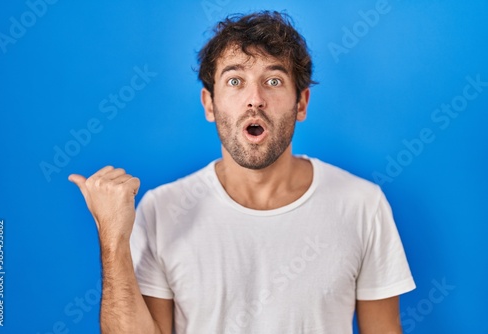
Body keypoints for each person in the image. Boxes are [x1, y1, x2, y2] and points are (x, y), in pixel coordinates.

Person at [69, 11, 415, 334]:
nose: (255, 99)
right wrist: (113, 239)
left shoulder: (361, 203)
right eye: (235, 80)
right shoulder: (162, 209)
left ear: (302, 104)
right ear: (209, 104)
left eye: (274, 81)